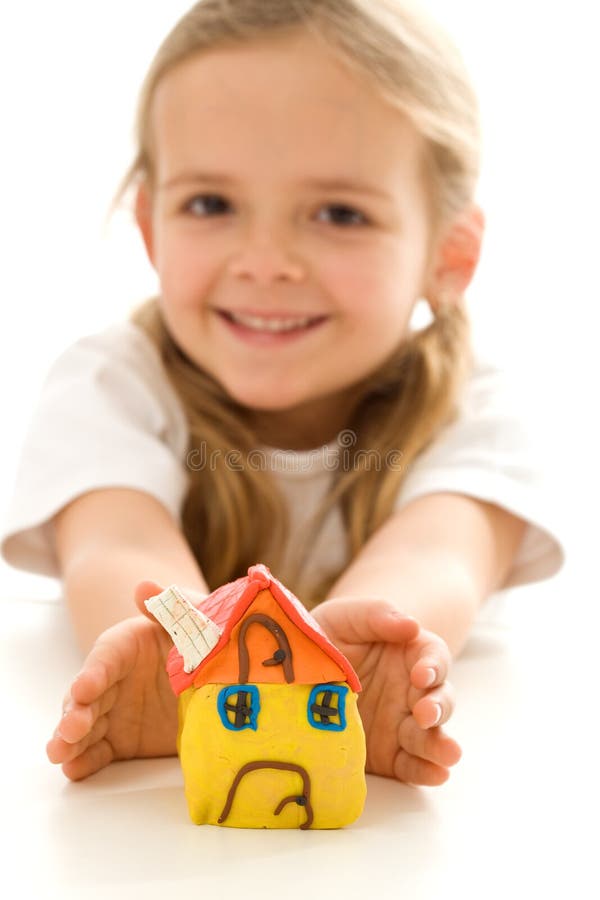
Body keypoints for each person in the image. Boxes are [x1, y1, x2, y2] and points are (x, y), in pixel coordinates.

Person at [1, 0, 563, 787]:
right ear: (152, 227)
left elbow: (439, 559)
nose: (265, 261)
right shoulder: (112, 383)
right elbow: (116, 545)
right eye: (211, 204)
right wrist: (194, 665)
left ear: (450, 253)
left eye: (339, 213)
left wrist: (345, 672)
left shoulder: (477, 409)